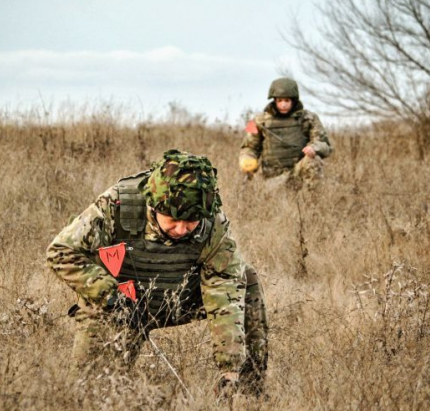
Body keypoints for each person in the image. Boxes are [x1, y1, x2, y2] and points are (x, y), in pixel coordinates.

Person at [47, 149, 268, 396]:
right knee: (89, 392)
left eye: (191, 221)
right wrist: (109, 296)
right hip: (119, 304)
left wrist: (230, 367)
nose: (182, 229)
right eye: (173, 220)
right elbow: (61, 252)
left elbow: (224, 287)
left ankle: (249, 389)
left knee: (245, 277)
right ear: (154, 205)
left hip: (178, 298)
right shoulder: (120, 203)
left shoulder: (211, 221)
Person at [239, 77, 333, 187]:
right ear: (274, 100)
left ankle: (312, 201)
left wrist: (314, 148)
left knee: (313, 160)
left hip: (299, 172)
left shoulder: (308, 118)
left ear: (293, 101)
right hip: (272, 179)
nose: (283, 105)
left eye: (287, 101)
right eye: (280, 101)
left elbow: (324, 145)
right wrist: (248, 159)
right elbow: (249, 147)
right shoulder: (259, 121)